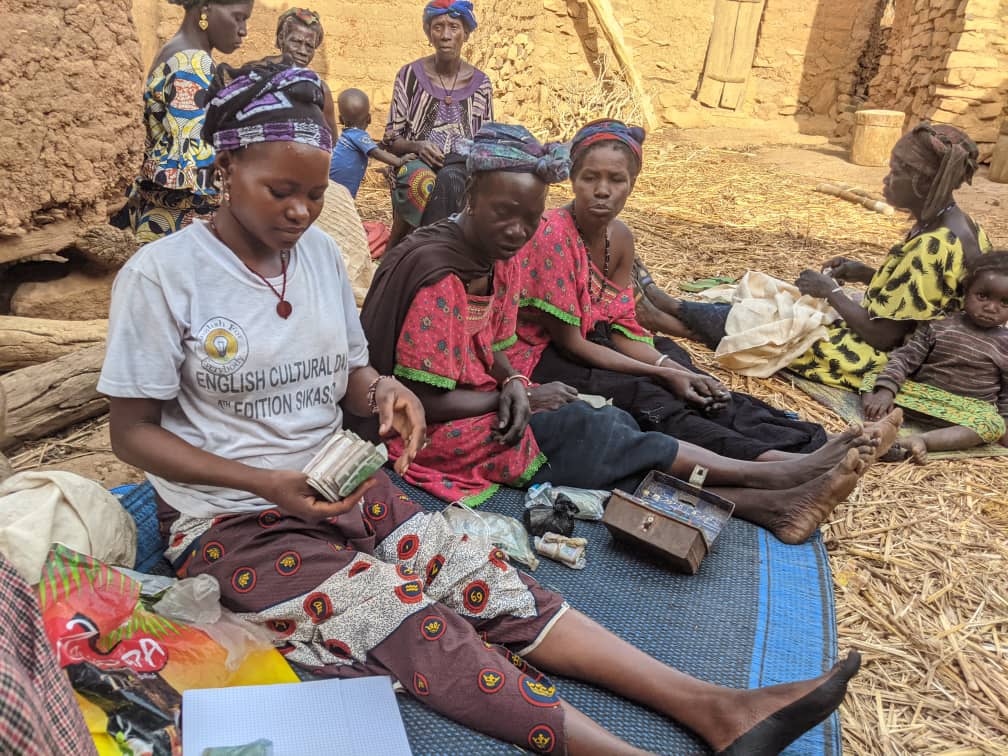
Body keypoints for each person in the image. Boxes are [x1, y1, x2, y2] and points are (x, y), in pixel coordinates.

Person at [99, 60, 861, 756]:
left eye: (314, 192)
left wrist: (385, 392)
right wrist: (262, 482)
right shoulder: (164, 277)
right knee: (406, 620)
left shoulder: (323, 257)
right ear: (227, 165)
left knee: (485, 577)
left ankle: (715, 709)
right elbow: (131, 434)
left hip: (341, 480)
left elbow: (353, 373)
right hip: (232, 520)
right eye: (281, 192)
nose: (301, 212)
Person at [360, 123, 900, 547]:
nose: (519, 232)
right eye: (504, 214)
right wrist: (514, 391)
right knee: (595, 427)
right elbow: (424, 399)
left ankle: (774, 488)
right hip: (436, 429)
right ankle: (768, 479)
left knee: (615, 419)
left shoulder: (500, 256)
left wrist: (515, 381)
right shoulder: (442, 276)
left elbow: (500, 348)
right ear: (470, 199)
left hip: (493, 399)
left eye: (528, 218)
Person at [510, 119, 866, 464]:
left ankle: (806, 438)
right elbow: (572, 343)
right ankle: (771, 461)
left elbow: (621, 327)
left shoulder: (619, 238)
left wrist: (669, 367)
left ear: (631, 183)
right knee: (648, 396)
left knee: (695, 378)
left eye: (616, 179)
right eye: (590, 178)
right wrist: (660, 374)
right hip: (547, 355)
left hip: (598, 342)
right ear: (572, 179)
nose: (602, 190)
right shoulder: (553, 235)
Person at [635, 123, 994, 393]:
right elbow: (921, 297)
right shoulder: (960, 227)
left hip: (891, 360)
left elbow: (884, 337)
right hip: (904, 337)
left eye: (897, 171)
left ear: (921, 181)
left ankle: (666, 315)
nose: (886, 179)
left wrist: (831, 292)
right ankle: (672, 307)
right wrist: (865, 273)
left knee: (777, 331)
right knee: (779, 303)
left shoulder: (933, 246)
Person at [115, 0, 253, 244]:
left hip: (155, 216)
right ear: (206, 8)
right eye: (238, 17)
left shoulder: (176, 49)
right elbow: (192, 162)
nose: (243, 30)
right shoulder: (193, 64)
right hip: (176, 226)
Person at [861, 251, 1008, 462]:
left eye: (1005, 303)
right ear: (966, 291)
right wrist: (886, 391)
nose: (991, 308)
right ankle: (882, 426)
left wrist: (1004, 420)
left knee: (992, 425)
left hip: (966, 412)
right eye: (982, 296)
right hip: (921, 398)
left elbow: (1006, 392)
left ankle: (922, 440)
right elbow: (905, 358)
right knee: (872, 379)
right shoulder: (939, 325)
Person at [383, 0, 493, 246]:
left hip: (462, 166)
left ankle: (431, 251)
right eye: (438, 27)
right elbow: (391, 139)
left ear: (465, 34)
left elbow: (485, 143)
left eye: (453, 27)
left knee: (453, 179)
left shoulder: (481, 84)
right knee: (422, 180)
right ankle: (405, 246)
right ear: (428, 33)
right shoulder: (409, 76)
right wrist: (417, 146)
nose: (445, 35)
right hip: (415, 163)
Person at [329, 88, 414, 198]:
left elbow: (371, 150)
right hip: (339, 193)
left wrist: (383, 143)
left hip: (332, 187)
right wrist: (400, 161)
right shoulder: (359, 136)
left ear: (341, 120)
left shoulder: (348, 136)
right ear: (369, 118)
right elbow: (375, 153)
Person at [268, 7, 337, 133]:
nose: (303, 52)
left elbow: (331, 142)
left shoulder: (320, 90)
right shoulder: (259, 78)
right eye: (296, 42)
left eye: (310, 46)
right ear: (281, 39)